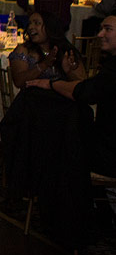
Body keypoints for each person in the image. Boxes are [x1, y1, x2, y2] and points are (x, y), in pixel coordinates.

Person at [26, 15, 116, 177]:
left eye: (107, 29)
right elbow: (91, 88)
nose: (100, 34)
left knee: (62, 146)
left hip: (110, 153)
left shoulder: (113, 68)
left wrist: (51, 84)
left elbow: (85, 92)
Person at [8, 12, 85, 89]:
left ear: (50, 27)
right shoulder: (23, 50)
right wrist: (43, 65)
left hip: (60, 97)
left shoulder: (65, 51)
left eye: (37, 23)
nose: (31, 27)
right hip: (32, 98)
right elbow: (18, 81)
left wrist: (69, 71)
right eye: (29, 23)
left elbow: (82, 85)